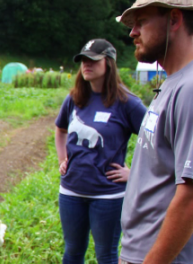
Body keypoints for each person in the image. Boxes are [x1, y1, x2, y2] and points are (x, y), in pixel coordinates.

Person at [54, 39, 147, 264]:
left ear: (109, 63)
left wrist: (134, 173)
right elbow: (61, 129)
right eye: (83, 60)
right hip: (71, 192)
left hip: (108, 195)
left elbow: (155, 141)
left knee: (106, 254)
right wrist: (62, 158)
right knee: (72, 251)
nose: (86, 64)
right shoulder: (75, 98)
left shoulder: (127, 102)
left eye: (93, 60)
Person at [117, 1, 193, 263]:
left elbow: (190, 197)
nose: (132, 32)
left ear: (174, 20)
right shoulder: (173, 84)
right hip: (140, 250)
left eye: (142, 21)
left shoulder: (190, 89)